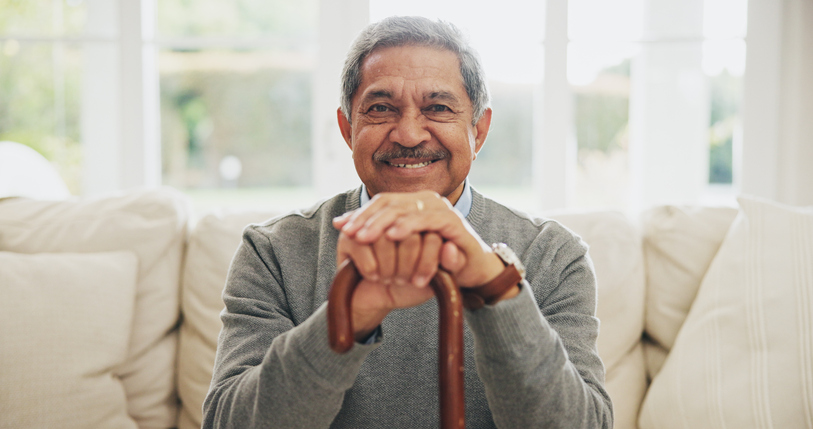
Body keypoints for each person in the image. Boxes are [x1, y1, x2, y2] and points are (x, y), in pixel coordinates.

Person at [203, 16, 612, 429]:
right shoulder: (273, 251)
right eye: (381, 109)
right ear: (348, 130)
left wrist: (494, 285)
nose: (411, 134)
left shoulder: (554, 255)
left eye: (438, 108)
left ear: (479, 130)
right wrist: (351, 314)